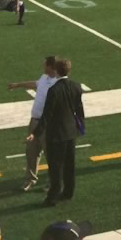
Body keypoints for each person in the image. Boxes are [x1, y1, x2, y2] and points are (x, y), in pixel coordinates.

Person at [28, 57, 83, 206]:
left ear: (56, 71)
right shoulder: (76, 86)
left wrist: (35, 132)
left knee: (56, 167)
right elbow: (79, 110)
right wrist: (80, 127)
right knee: (69, 165)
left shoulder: (54, 90)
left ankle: (52, 198)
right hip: (70, 132)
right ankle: (68, 192)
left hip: (56, 134)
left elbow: (47, 115)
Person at [10, 55, 59, 191]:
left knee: (51, 154)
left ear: (51, 67)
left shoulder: (57, 82)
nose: (43, 66)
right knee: (31, 151)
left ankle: (53, 182)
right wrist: (18, 85)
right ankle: (30, 180)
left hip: (48, 124)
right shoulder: (44, 78)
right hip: (34, 121)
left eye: (45, 65)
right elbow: (35, 84)